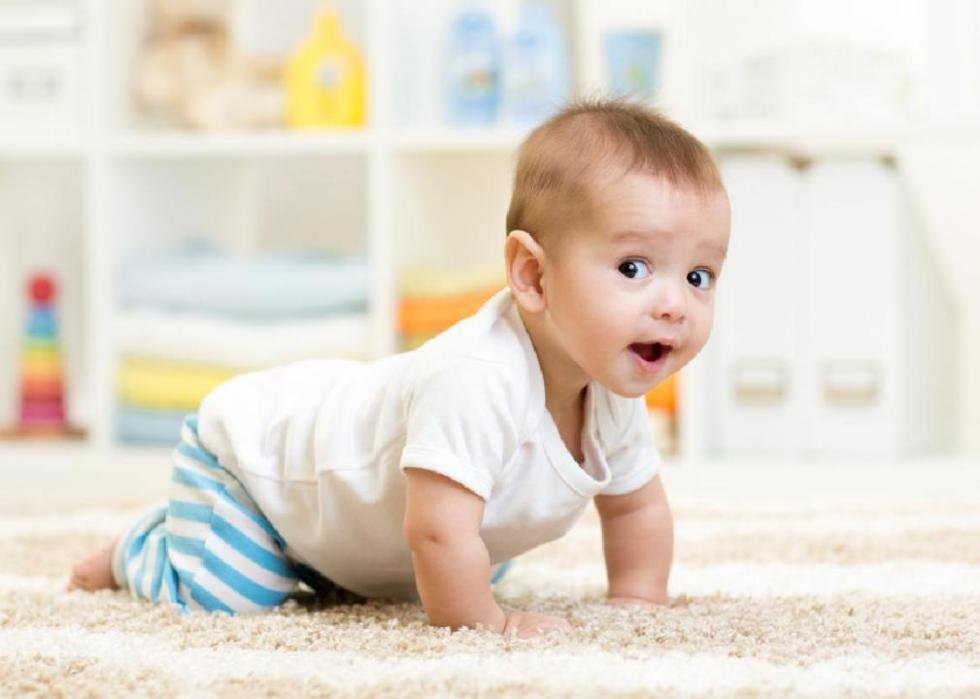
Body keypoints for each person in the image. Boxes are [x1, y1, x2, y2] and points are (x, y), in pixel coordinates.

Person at [68, 98, 730, 639]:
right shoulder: (476, 378)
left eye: (698, 275)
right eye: (634, 267)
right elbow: (435, 531)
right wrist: (486, 625)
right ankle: (144, 547)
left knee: (466, 558)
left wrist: (638, 601)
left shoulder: (608, 389)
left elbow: (636, 506)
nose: (674, 304)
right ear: (533, 275)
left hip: (358, 534)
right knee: (230, 595)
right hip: (258, 472)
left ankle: (326, 565)